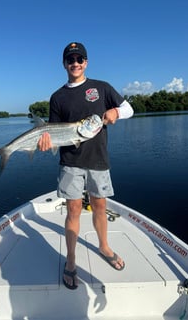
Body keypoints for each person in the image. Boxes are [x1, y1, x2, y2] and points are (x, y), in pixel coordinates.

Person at [38, 42, 134, 290]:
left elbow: (129, 109)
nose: (75, 63)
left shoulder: (101, 88)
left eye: (80, 58)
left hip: (98, 159)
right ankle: (71, 260)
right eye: (70, 59)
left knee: (100, 207)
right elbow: (53, 132)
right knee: (73, 211)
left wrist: (115, 112)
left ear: (86, 62)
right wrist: (46, 142)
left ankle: (104, 246)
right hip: (70, 162)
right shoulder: (57, 97)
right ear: (64, 64)